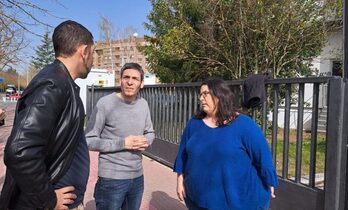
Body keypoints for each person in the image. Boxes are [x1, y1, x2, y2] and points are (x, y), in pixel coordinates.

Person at [0, 20, 94, 210]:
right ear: (84, 51)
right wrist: (48, 199)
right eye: (94, 52)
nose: (94, 59)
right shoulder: (53, 84)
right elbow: (19, 151)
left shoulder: (62, 83)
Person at [174, 78, 279, 210]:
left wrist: (270, 180)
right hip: (198, 198)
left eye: (205, 93)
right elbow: (183, 154)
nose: (201, 98)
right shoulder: (194, 124)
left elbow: (262, 155)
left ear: (219, 95)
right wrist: (179, 180)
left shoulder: (244, 125)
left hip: (236, 201)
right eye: (200, 94)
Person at [85, 62, 155, 210]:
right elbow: (89, 140)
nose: (130, 82)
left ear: (141, 83)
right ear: (120, 80)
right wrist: (123, 143)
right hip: (111, 179)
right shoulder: (105, 103)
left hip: (137, 177)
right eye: (126, 77)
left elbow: (150, 132)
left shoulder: (143, 104)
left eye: (135, 79)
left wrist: (146, 141)